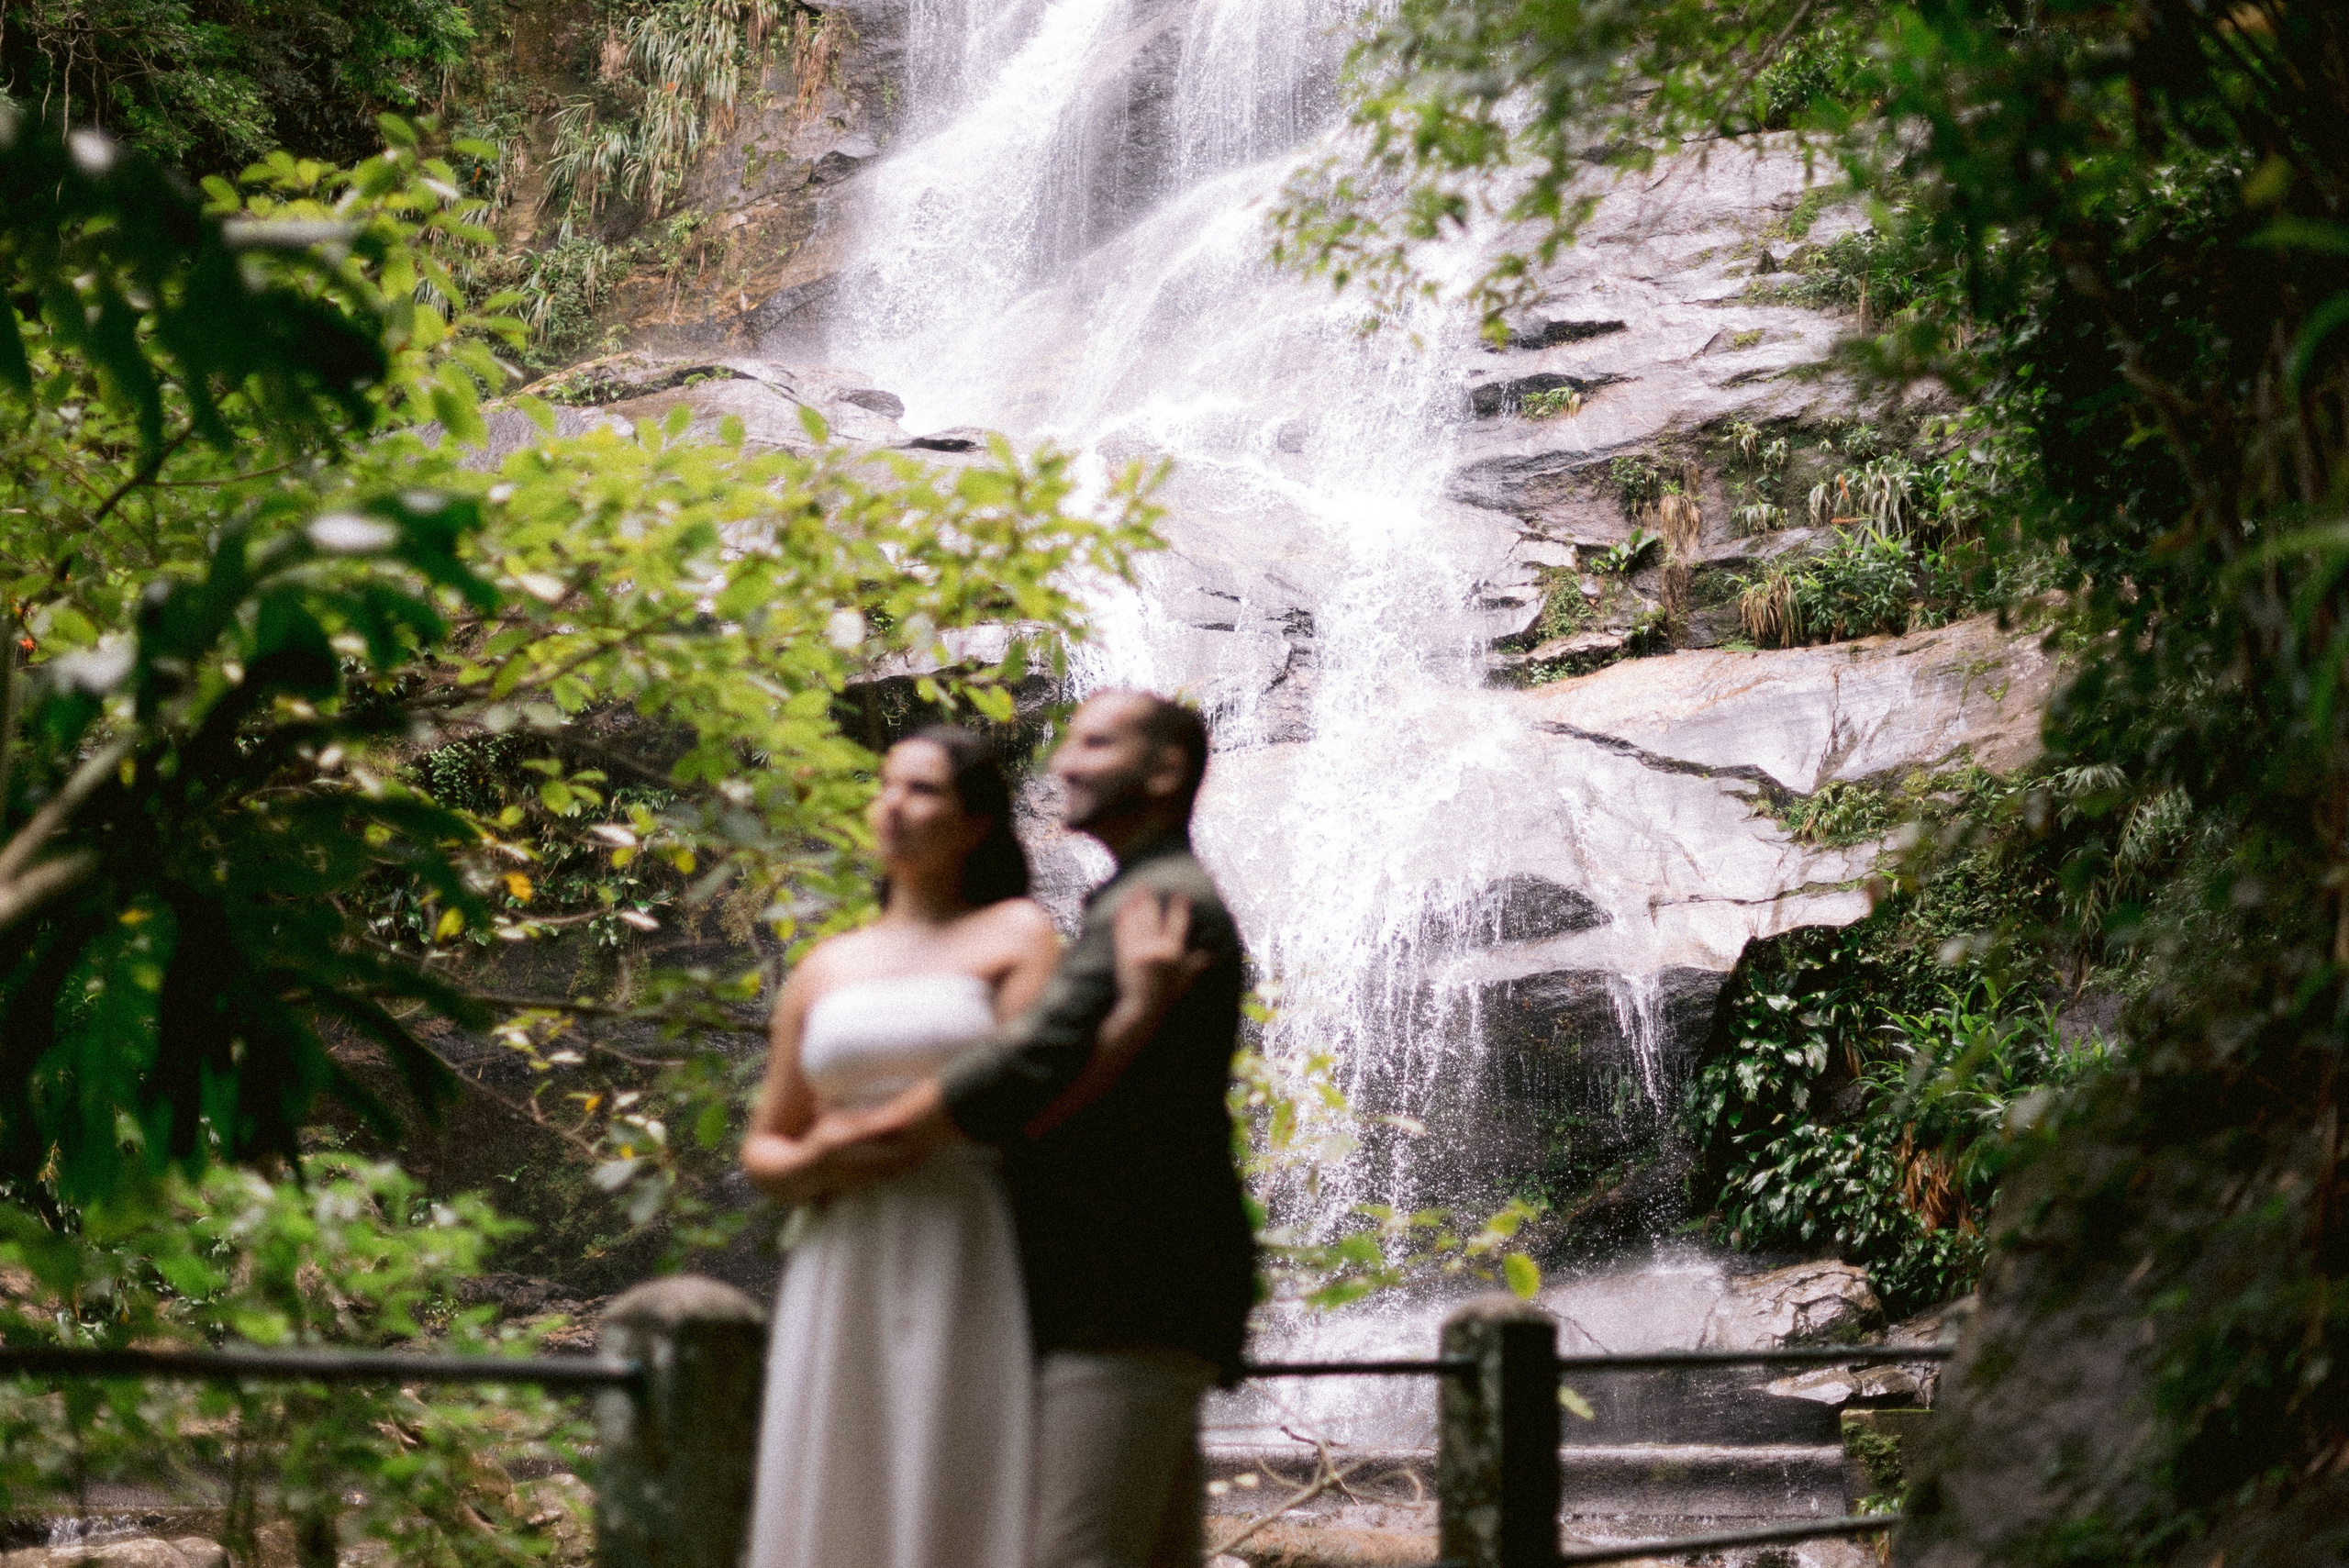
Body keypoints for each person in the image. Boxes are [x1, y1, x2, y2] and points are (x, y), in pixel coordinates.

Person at [795, 691, 1256, 1568]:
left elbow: (1031, 1061)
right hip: (1135, 1286)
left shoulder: (1156, 901)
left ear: (1165, 770)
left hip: (1125, 1287)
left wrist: (880, 1127)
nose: (1063, 761)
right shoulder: (1140, 896)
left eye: (1094, 743)